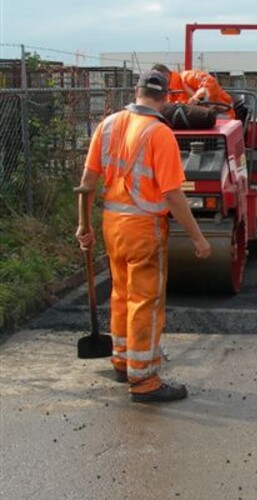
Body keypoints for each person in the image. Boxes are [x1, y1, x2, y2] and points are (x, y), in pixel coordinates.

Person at [75, 70, 212, 402]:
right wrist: (198, 237)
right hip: (143, 228)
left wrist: (84, 224)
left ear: (135, 92)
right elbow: (174, 196)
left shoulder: (107, 126)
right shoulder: (160, 134)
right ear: (165, 98)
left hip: (111, 224)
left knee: (122, 294)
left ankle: (123, 362)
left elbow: (87, 182)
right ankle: (145, 379)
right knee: (146, 302)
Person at [151, 63, 235, 118]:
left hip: (221, 112)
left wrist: (196, 97)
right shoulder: (166, 94)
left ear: (166, 75)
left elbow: (209, 82)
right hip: (193, 119)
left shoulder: (186, 77)